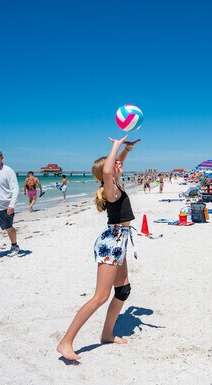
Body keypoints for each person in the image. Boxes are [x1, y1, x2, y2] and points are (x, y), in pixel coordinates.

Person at [57, 135, 141, 361]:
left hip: (120, 241)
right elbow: (107, 172)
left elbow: (113, 168)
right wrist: (115, 145)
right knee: (100, 296)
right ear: (109, 170)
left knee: (123, 291)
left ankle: (106, 333)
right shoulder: (110, 189)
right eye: (116, 164)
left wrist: (127, 150)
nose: (119, 165)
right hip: (111, 243)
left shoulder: (115, 184)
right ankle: (65, 342)